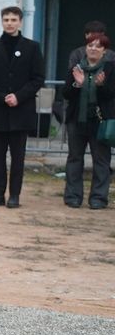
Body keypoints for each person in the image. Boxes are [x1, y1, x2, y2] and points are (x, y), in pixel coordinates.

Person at [0, 5, 46, 208]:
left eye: (13, 20)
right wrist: (2, 97)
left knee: (18, 158)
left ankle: (14, 195)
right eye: (6, 20)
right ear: (2, 22)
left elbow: (38, 78)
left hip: (21, 111)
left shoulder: (32, 47)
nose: (10, 23)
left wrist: (19, 96)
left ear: (20, 22)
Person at [58, 33, 114, 209]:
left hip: (100, 121)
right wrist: (78, 84)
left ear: (104, 50)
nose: (93, 49)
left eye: (98, 46)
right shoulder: (77, 68)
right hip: (77, 120)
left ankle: (98, 198)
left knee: (101, 161)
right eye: (90, 45)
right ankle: (73, 196)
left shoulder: (110, 69)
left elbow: (111, 95)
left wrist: (101, 86)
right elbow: (66, 93)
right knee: (75, 158)